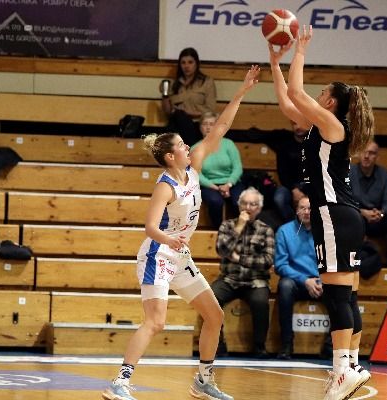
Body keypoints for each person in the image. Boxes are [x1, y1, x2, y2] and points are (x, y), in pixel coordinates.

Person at [102, 65, 260, 400]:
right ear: (170, 156)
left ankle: (203, 381)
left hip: (179, 255)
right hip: (158, 253)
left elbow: (220, 127)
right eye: (182, 145)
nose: (189, 146)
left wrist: (243, 91)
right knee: (155, 322)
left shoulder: (195, 166)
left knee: (214, 315)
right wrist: (169, 239)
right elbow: (149, 227)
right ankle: (120, 382)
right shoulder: (166, 185)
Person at [269, 26, 374, 400]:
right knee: (346, 296)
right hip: (344, 216)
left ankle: (342, 370)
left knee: (336, 297)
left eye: (322, 93)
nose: (315, 95)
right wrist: (275, 63)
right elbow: (288, 103)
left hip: (333, 215)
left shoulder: (333, 125)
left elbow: (297, 93)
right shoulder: (321, 125)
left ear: (330, 102)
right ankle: (352, 367)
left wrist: (300, 50)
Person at [211, 186, 275, 359]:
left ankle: (259, 347)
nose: (248, 207)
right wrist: (238, 227)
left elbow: (267, 261)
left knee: (261, 302)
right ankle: (218, 344)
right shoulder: (227, 226)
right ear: (239, 205)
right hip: (229, 279)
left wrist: (239, 259)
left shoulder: (266, 230)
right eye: (244, 203)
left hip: (256, 281)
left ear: (259, 208)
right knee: (211, 298)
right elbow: (222, 251)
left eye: (253, 204)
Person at [274, 196, 331, 360]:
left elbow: (333, 262)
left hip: (321, 281)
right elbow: (281, 265)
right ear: (296, 210)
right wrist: (305, 280)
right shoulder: (284, 231)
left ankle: (331, 346)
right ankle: (286, 344)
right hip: (297, 282)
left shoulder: (327, 231)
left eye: (310, 208)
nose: (306, 212)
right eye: (302, 208)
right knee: (285, 286)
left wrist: (322, 280)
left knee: (340, 288)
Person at [226, 120, 308, 225]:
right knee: (279, 198)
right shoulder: (284, 142)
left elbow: (319, 173)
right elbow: (282, 172)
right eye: (295, 123)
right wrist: (294, 189)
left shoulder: (316, 143)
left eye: (302, 123)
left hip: (312, 185)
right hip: (289, 185)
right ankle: (294, 225)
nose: (298, 127)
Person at [349, 140, 387, 267]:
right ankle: (351, 266)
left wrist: (380, 214)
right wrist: (362, 212)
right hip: (357, 217)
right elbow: (343, 200)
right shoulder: (348, 172)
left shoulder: (384, 174)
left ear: (377, 157)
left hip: (378, 218)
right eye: (364, 152)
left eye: (371, 153)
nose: (366, 156)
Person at [194, 111, 245, 229]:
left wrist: (228, 185)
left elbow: (238, 167)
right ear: (200, 127)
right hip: (209, 185)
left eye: (212, 124)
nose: (208, 127)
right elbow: (196, 173)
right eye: (205, 124)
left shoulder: (228, 144)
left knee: (239, 201)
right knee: (215, 201)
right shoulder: (195, 148)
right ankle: (218, 230)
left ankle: (239, 230)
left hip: (231, 182)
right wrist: (215, 187)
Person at [162, 47, 218, 147]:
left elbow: (211, 110)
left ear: (196, 64)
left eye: (190, 62)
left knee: (179, 118)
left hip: (198, 124)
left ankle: (190, 149)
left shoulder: (206, 82)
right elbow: (168, 112)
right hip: (177, 123)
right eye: (183, 63)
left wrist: (190, 113)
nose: (186, 66)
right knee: (176, 119)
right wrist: (165, 95)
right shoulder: (175, 83)